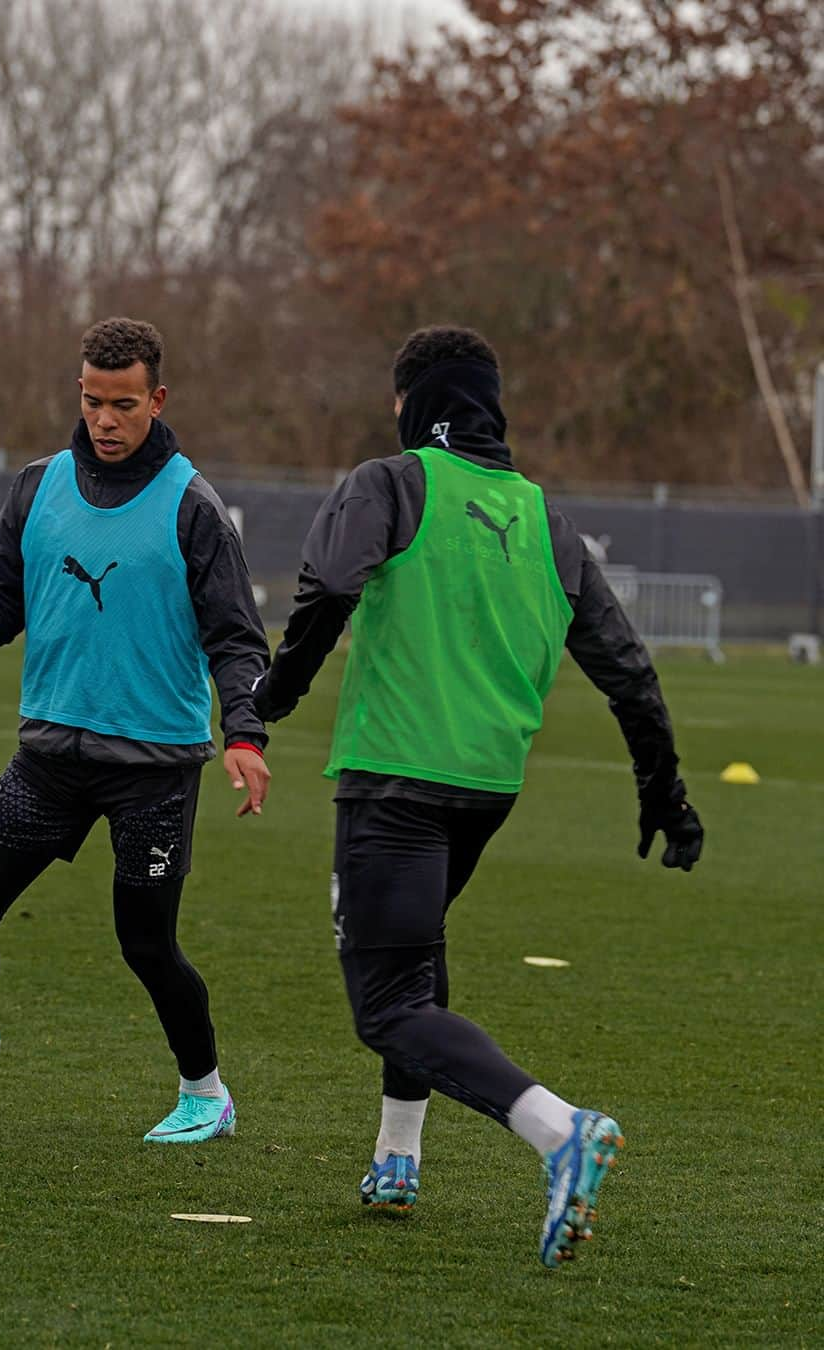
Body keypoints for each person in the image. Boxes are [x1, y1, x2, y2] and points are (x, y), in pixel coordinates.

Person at [253, 325, 703, 1266]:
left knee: (386, 1003)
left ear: (407, 403)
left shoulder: (390, 481)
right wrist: (663, 789)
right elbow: (628, 672)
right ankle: (397, 1161)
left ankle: (559, 1131)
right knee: (417, 961)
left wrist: (268, 702)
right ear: (492, 406)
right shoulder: (549, 521)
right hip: (485, 791)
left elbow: (330, 584)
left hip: (396, 780)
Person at [0, 317, 271, 1145]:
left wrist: (245, 734)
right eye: (92, 401)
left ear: (157, 399)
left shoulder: (192, 504)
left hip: (154, 767)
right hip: (49, 758)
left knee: (146, 944)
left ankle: (207, 1095)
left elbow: (237, 639)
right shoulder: (36, 486)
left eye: (123, 404)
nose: (105, 420)